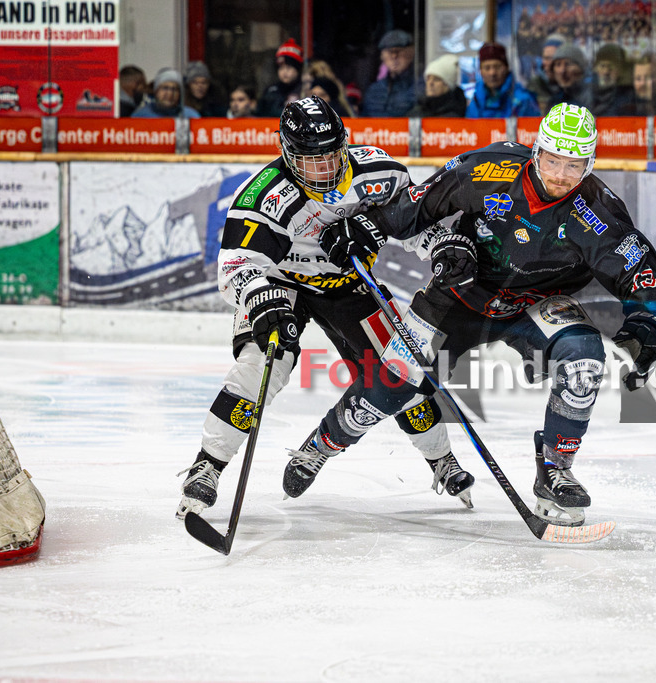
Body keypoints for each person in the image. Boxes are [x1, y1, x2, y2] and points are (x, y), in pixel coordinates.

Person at [293, 103, 656, 527]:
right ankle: (324, 443)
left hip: (536, 304)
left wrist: (644, 321)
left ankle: (555, 469)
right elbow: (418, 205)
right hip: (461, 294)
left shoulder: (598, 210)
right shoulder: (489, 168)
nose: (561, 175)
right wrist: (368, 227)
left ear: (590, 164)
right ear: (536, 150)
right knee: (391, 386)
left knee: (583, 361)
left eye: (574, 165)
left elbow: (638, 269)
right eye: (553, 160)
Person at [176, 96, 473, 520]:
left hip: (349, 284)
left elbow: (415, 224)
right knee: (262, 363)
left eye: (331, 155)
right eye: (308, 160)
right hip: (282, 287)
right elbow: (236, 264)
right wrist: (260, 294)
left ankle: (441, 460)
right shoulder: (263, 194)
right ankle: (208, 465)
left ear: (345, 143)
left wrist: (441, 247)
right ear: (286, 153)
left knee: (402, 370)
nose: (323, 169)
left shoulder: (381, 172)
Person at [466, 42, 540, 118]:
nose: (492, 73)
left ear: (506, 68)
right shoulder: (476, 100)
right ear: (481, 71)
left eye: (497, 67)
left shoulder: (522, 100)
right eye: (487, 68)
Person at [362, 30, 418, 117]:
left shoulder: (420, 87)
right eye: (389, 52)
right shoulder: (374, 90)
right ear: (382, 56)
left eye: (399, 51)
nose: (394, 56)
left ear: (411, 52)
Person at [257, 39, 305, 117]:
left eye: (288, 67)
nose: (284, 72)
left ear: (298, 69)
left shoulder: (305, 89)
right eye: (281, 68)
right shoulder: (271, 91)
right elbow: (259, 114)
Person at [132, 68, 200, 118]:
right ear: (156, 91)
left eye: (175, 89)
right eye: (165, 88)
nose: (169, 93)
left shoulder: (190, 116)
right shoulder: (141, 116)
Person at [526, 33, 567, 114]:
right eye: (546, 58)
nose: (548, 63)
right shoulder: (534, 86)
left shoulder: (571, 88)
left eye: (553, 58)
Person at [591, 43, 636, 116]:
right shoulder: (587, 94)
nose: (606, 72)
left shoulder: (629, 99)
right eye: (602, 66)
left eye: (611, 67)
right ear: (596, 68)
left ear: (621, 70)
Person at [549, 43, 593, 109]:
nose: (562, 70)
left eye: (568, 64)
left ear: (581, 68)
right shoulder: (554, 99)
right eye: (558, 64)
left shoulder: (593, 97)